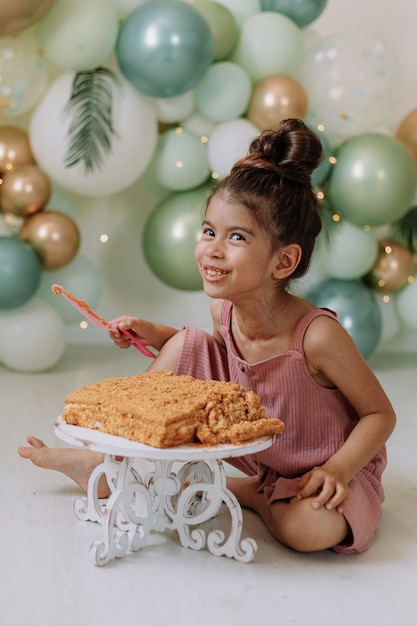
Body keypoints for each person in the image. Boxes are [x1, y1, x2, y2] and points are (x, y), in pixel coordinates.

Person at [18, 119, 396, 554]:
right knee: (185, 342)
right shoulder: (225, 310)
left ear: (284, 260)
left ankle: (248, 492)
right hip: (261, 446)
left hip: (321, 464)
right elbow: (213, 356)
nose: (212, 249)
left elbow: (379, 415)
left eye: (236, 237)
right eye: (209, 231)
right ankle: (117, 463)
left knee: (307, 531)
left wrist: (339, 470)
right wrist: (156, 334)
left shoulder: (318, 337)